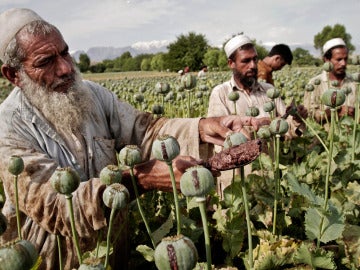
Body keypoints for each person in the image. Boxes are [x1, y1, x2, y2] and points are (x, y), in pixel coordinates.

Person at [0, 8, 266, 270]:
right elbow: (56, 207)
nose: (65, 68)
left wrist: (203, 127)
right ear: (13, 75)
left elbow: (146, 130)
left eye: (65, 52)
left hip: (114, 251)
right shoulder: (8, 127)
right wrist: (140, 179)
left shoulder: (90, 94)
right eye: (45, 61)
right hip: (51, 259)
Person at [207, 34, 307, 195]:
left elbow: (286, 130)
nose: (253, 65)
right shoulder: (221, 93)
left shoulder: (269, 91)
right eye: (246, 61)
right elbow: (220, 139)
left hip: (268, 179)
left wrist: (296, 118)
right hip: (237, 183)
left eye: (255, 59)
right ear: (231, 63)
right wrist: (260, 125)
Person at [303, 37, 356, 123]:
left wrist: (355, 112)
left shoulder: (355, 82)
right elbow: (309, 115)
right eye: (339, 59)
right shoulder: (314, 84)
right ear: (326, 60)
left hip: (352, 134)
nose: (343, 63)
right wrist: (333, 112)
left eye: (345, 59)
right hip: (324, 135)